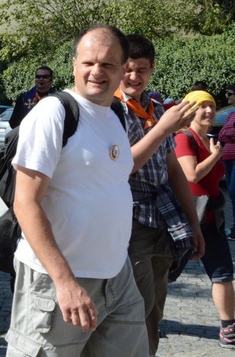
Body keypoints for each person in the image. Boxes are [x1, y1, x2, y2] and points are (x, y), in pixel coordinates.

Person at [6, 25, 148, 356]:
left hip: (117, 276)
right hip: (59, 282)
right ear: (74, 65)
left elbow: (112, 179)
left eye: (108, 64)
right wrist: (65, 282)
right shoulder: (54, 112)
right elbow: (26, 203)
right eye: (88, 62)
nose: (96, 71)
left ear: (122, 69)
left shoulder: (116, 113)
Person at [114, 34, 203, 354]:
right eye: (128, 69)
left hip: (162, 216)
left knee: (154, 309)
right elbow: (124, 167)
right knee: (135, 305)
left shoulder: (153, 107)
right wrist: (164, 127)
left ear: (152, 70)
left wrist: (194, 223)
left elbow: (175, 169)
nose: (134, 77)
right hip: (130, 215)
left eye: (141, 70)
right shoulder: (111, 109)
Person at [174, 90, 235, 349]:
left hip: (212, 218)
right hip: (187, 218)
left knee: (223, 274)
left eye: (211, 105)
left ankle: (228, 327)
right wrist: (216, 155)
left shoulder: (208, 139)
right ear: (190, 110)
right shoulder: (183, 138)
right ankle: (146, 316)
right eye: (202, 107)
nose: (209, 111)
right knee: (164, 274)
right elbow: (192, 175)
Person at [217, 84, 235, 240]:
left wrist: (229, 134)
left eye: (230, 93)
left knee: (234, 192)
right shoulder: (230, 115)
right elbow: (222, 134)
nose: (227, 96)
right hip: (228, 158)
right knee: (231, 191)